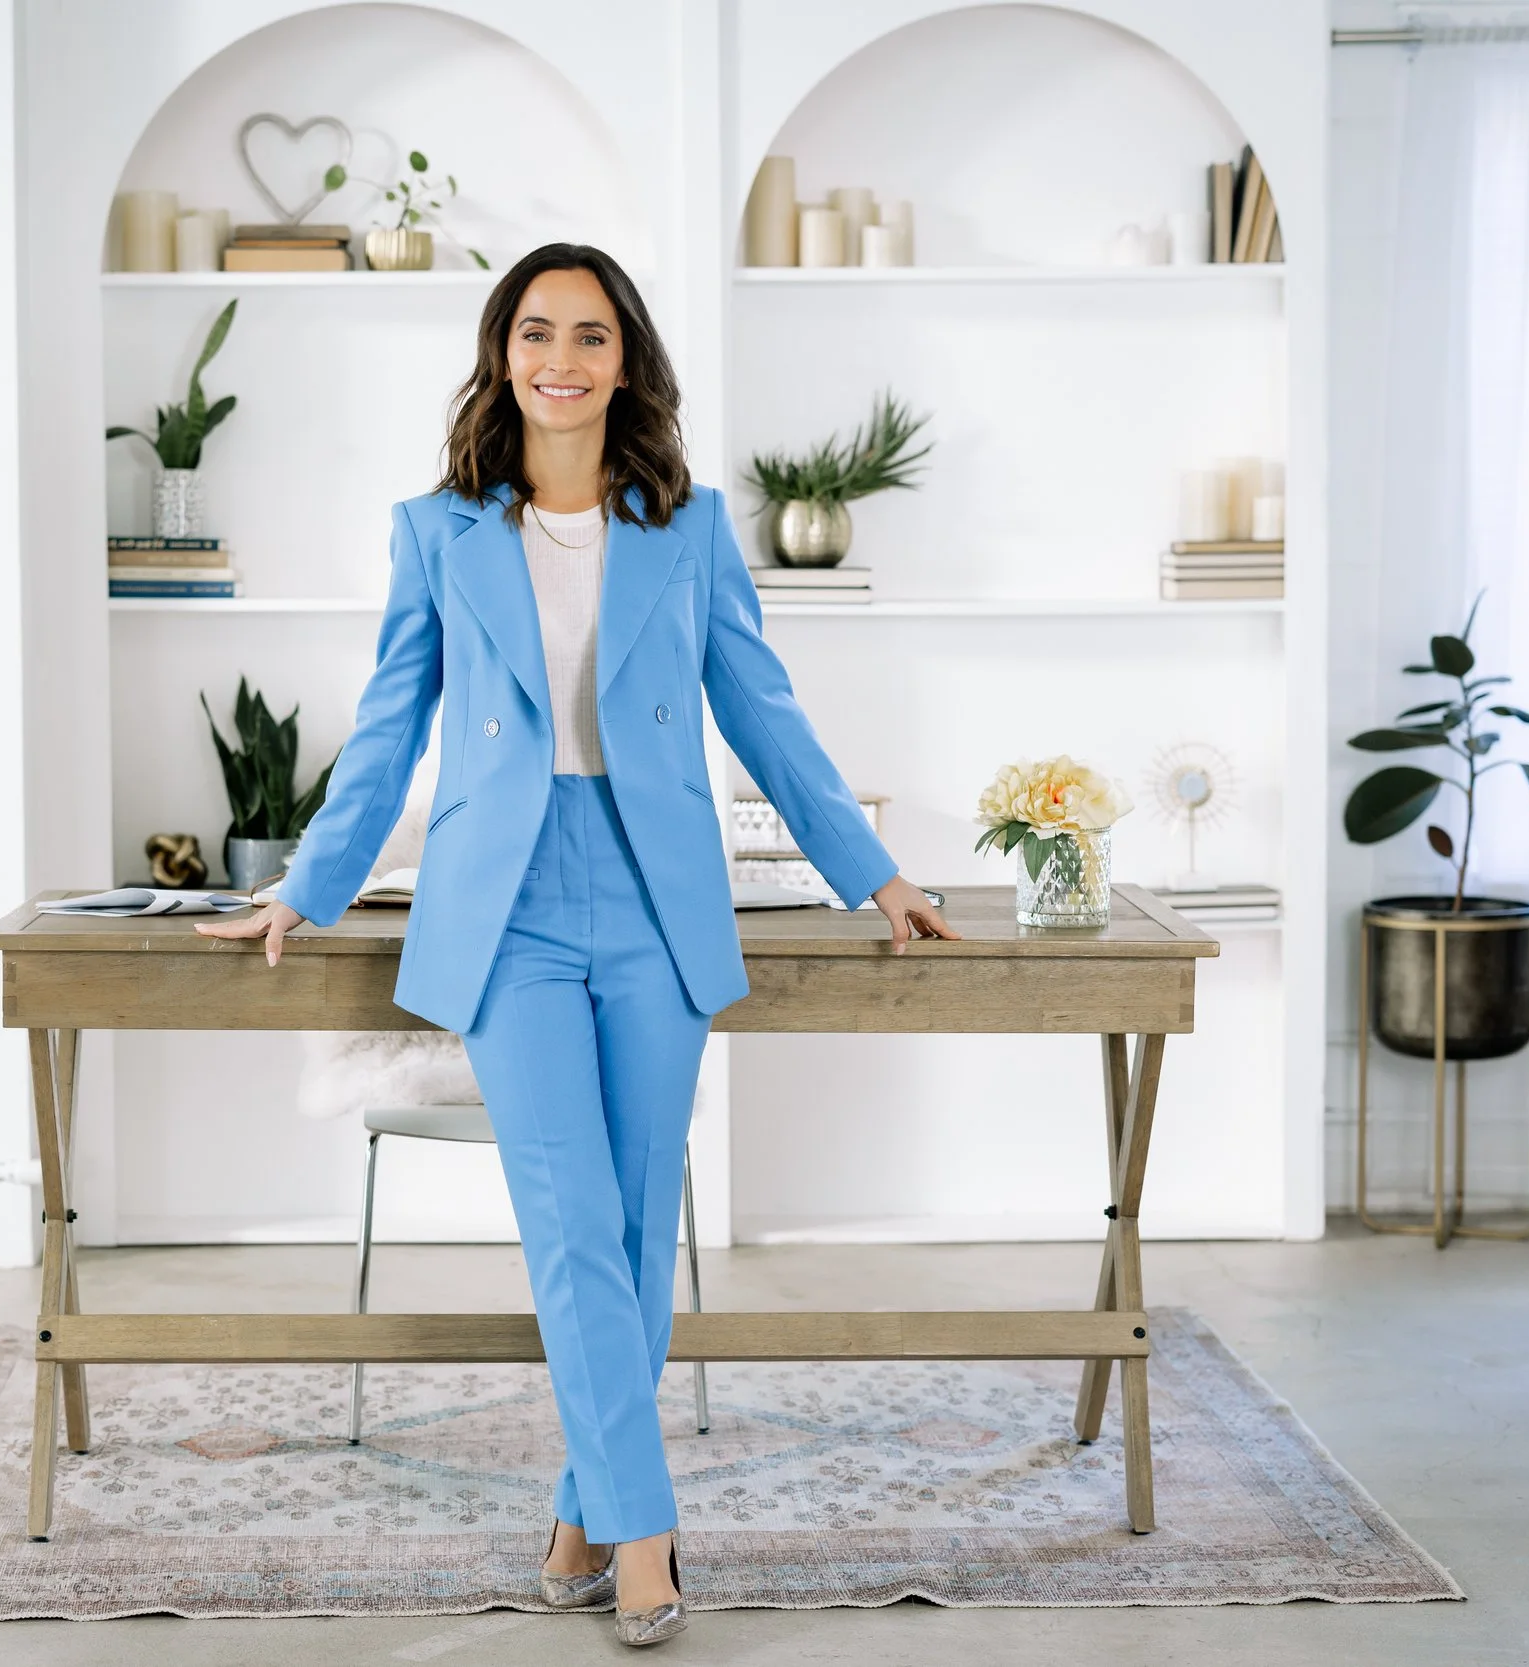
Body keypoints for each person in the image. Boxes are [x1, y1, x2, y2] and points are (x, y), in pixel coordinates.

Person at [197, 242, 956, 1647]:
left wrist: (873, 872)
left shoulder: (691, 524)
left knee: (628, 1221)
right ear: (503, 355)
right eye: (535, 332)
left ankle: (580, 1506)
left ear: (626, 360)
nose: (562, 358)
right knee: (566, 1219)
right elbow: (385, 727)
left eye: (589, 335)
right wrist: (306, 883)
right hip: (506, 905)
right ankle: (649, 1527)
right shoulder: (440, 531)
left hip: (660, 895)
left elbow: (763, 713)